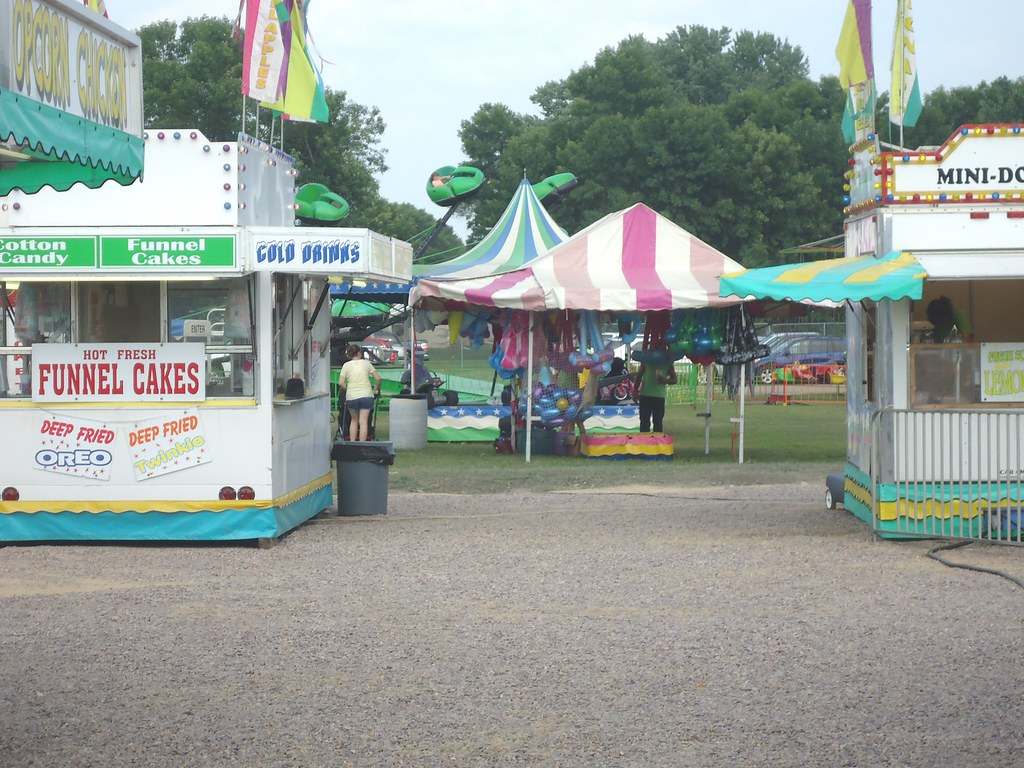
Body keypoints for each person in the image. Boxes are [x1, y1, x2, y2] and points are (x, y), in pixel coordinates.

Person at [337, 343, 382, 441]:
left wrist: (347, 388)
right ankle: (362, 443)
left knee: (354, 421)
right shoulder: (366, 363)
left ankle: (353, 443)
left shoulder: (346, 365)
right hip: (366, 395)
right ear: (359, 353)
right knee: (363, 422)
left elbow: (340, 382)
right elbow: (378, 378)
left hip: (352, 396)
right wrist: (377, 387)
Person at [635, 359, 677, 433]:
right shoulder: (646, 359)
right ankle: (644, 442)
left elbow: (674, 379)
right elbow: (639, 375)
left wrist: (664, 380)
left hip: (659, 397)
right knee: (644, 422)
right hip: (645, 395)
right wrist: (635, 391)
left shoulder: (667, 362)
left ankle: (657, 443)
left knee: (657, 422)